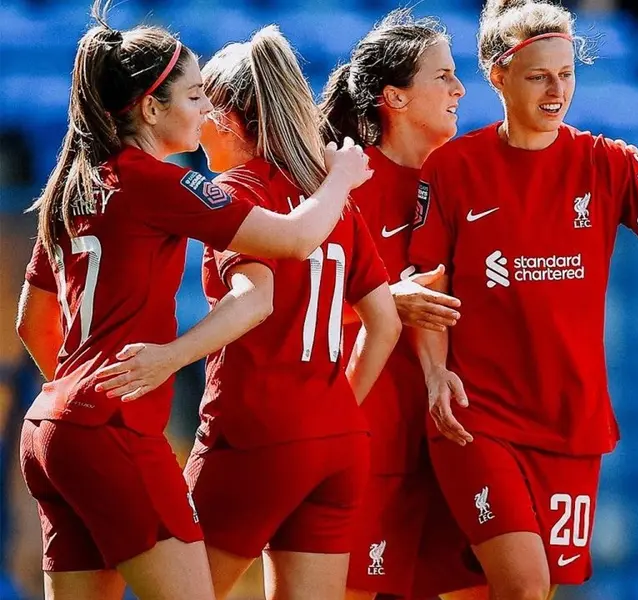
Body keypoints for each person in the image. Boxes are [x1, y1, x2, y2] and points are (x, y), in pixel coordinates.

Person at [13, 3, 372, 599]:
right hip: (112, 431)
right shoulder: (158, 181)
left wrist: (77, 401)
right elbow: (293, 238)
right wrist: (340, 176)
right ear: (152, 109)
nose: (207, 111)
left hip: (51, 428)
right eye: (196, 96)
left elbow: (33, 322)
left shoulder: (71, 186)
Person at [406, 1, 638, 598]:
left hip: (570, 425)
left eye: (566, 73)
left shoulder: (608, 164)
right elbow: (428, 286)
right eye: (538, 75)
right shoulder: (453, 168)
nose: (556, 89)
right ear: (497, 74)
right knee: (525, 587)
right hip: (478, 417)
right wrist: (435, 373)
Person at [112, 26, 397, 600]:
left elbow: (254, 298)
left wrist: (168, 359)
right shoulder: (327, 195)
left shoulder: (234, 194)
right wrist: (331, 410)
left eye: (201, 101)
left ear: (229, 116)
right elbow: (385, 323)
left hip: (254, 434)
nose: (195, 116)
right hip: (338, 441)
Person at [317, 9, 489, 600]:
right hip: (371, 440)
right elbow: (294, 301)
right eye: (442, 75)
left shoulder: (469, 181)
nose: (460, 89)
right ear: (394, 96)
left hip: (460, 439)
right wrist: (386, 302)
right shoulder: (344, 186)